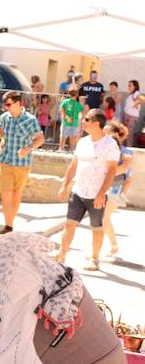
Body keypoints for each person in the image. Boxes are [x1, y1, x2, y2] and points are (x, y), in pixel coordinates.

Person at [56, 109, 119, 271]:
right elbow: (74, 165)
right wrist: (64, 186)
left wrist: (101, 194)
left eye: (86, 119)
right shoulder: (82, 142)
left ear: (97, 123)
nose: (83, 121)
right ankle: (61, 256)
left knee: (96, 228)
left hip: (96, 194)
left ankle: (94, 258)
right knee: (69, 224)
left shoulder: (110, 145)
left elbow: (111, 171)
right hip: (78, 191)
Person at [0, 91, 45, 234]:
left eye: (8, 104)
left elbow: (40, 139)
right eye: (5, 105)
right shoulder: (5, 117)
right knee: (5, 194)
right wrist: (2, 137)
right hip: (5, 161)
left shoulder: (30, 119)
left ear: (17, 103)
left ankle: (10, 223)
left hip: (22, 163)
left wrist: (28, 148)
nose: (6, 107)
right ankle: (8, 226)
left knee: (16, 195)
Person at [102, 121, 135, 259]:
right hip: (104, 189)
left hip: (115, 191)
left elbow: (129, 175)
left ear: (116, 133)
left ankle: (99, 249)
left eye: (107, 131)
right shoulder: (103, 147)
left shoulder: (127, 152)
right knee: (104, 219)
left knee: (103, 218)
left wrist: (123, 192)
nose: (104, 133)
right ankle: (113, 246)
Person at [59, 87, 84, 151]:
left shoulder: (78, 104)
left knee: (73, 136)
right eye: (72, 94)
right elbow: (61, 110)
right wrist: (66, 117)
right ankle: (61, 148)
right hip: (66, 122)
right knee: (63, 136)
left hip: (75, 123)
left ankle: (71, 148)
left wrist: (80, 119)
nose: (73, 95)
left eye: (74, 93)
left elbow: (81, 112)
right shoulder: (66, 102)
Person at [122, 80, 141, 145]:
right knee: (125, 133)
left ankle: (129, 148)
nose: (128, 87)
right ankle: (125, 147)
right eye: (128, 85)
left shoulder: (137, 93)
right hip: (127, 116)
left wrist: (136, 103)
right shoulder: (131, 95)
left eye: (130, 85)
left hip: (131, 117)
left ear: (135, 86)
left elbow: (142, 99)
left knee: (129, 133)